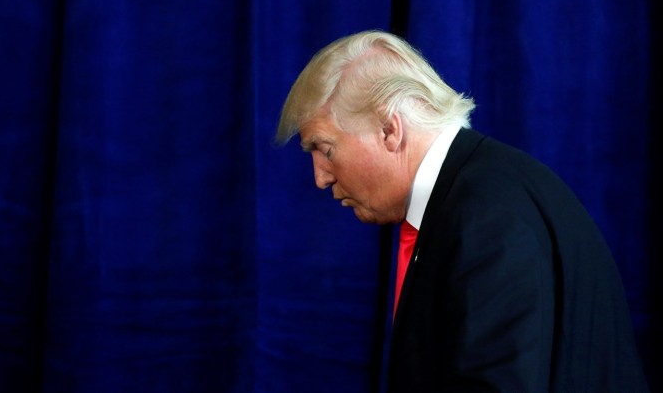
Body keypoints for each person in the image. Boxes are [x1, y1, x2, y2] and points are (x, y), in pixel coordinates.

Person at [275, 30, 648, 392]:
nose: (320, 178)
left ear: (390, 129)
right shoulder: (473, 195)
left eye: (324, 148)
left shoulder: (487, 216)